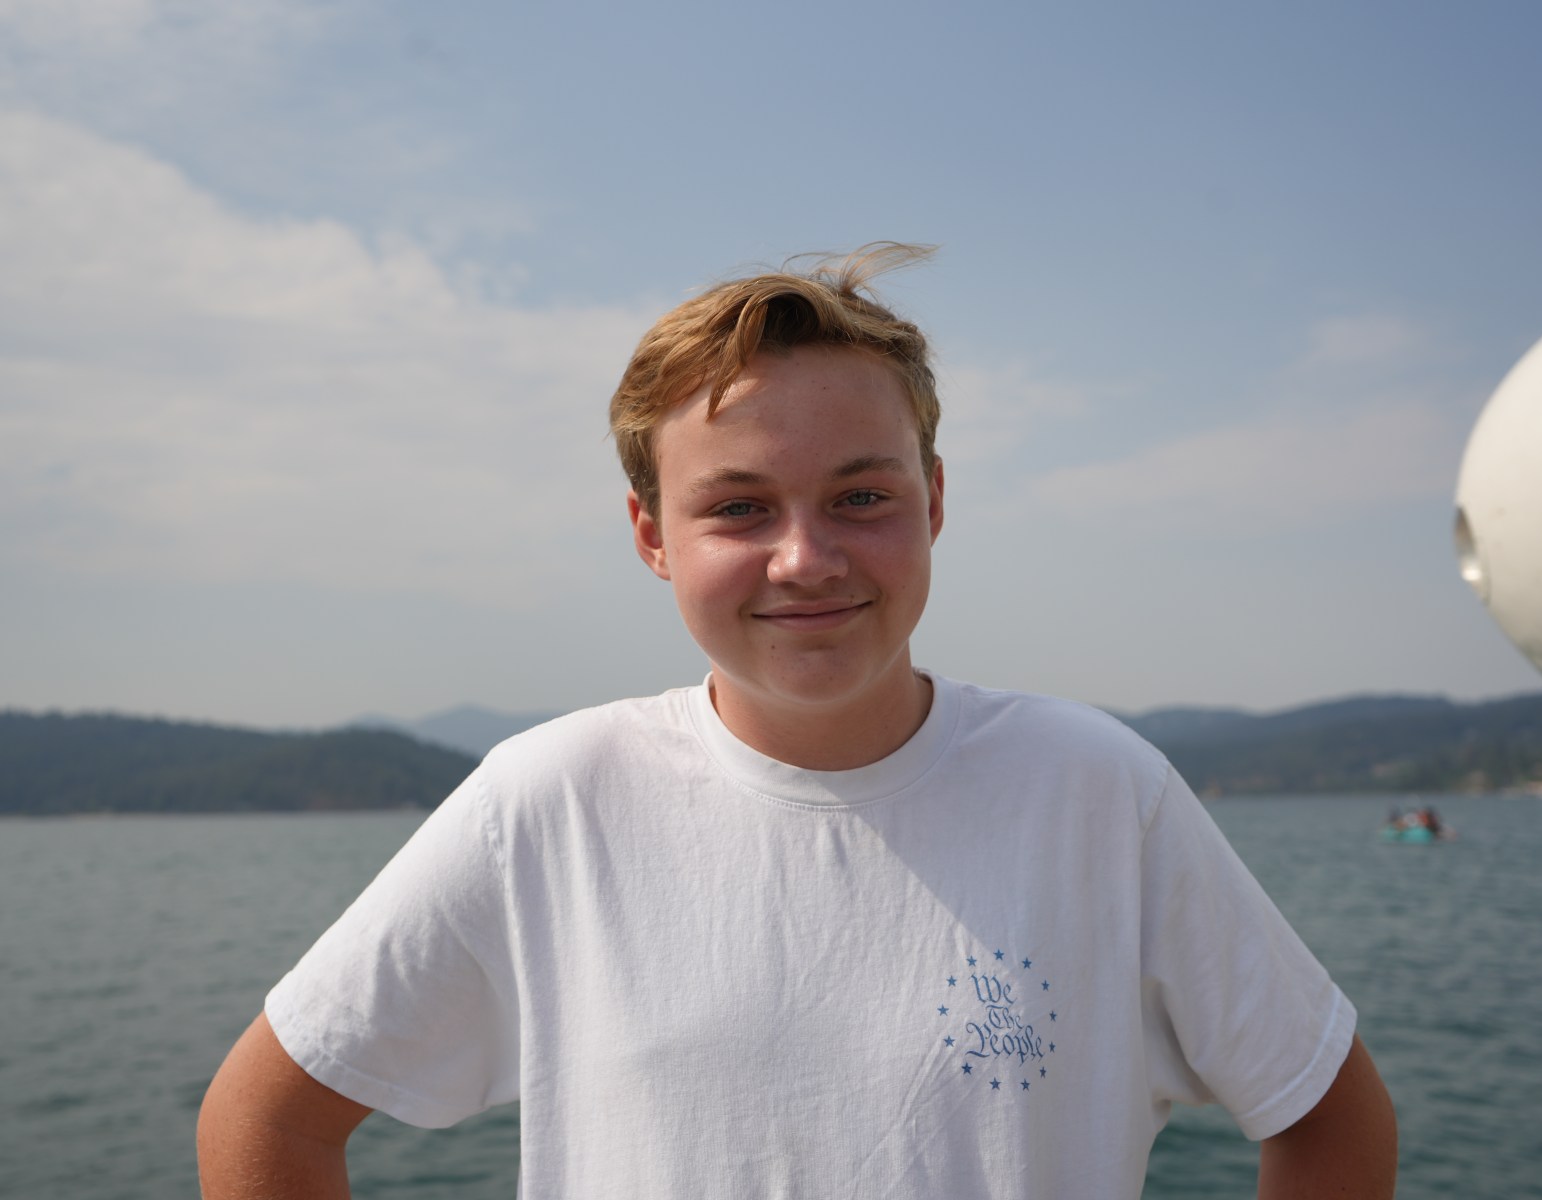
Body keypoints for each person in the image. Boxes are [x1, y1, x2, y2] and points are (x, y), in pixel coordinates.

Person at [198, 244, 1397, 1198]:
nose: (805, 558)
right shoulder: (552, 799)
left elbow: (1331, 1117)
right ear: (651, 537)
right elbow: (267, 1120)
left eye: (860, 496)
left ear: (933, 501)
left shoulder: (1094, 788)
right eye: (737, 507)